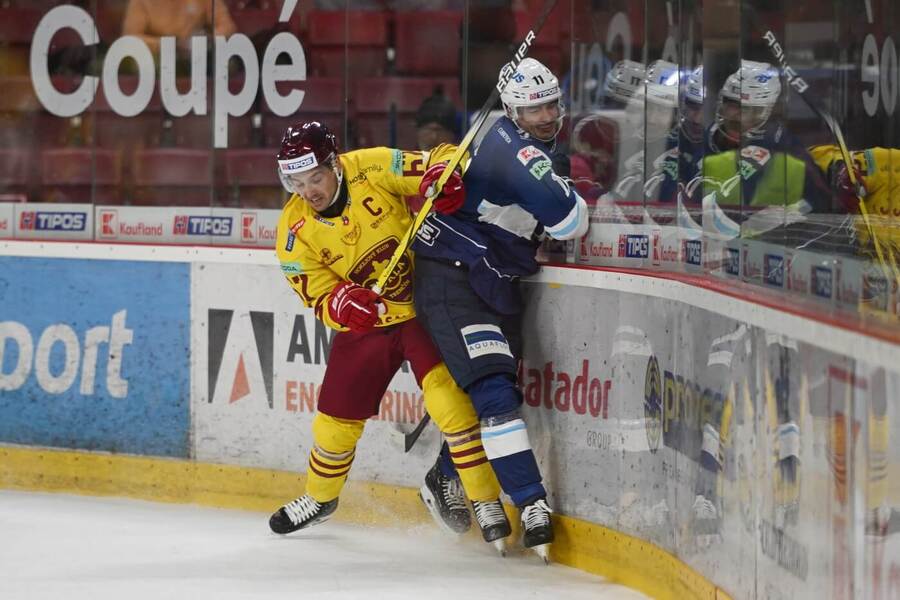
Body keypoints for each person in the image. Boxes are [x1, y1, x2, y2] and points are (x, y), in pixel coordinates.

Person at [268, 121, 509, 546]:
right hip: (369, 327)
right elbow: (317, 295)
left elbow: (441, 157)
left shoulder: (371, 167)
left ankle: (485, 500)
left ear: (335, 165)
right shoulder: (292, 231)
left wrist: (442, 175)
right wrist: (343, 304)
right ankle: (319, 498)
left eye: (316, 178)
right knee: (333, 423)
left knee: (451, 405)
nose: (309, 192)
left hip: (422, 309)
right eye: (297, 183)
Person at [410, 57, 589, 561]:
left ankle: (446, 476)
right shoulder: (513, 147)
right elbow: (570, 221)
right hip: (453, 275)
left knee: (492, 392)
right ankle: (529, 502)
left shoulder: (515, 137)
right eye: (535, 108)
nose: (548, 115)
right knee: (493, 391)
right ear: (513, 109)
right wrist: (570, 197)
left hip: (494, 279)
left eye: (552, 103)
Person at [122, 0, 237, 56]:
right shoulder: (141, 2)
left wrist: (207, 40)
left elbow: (228, 26)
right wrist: (170, 46)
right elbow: (130, 39)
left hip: (197, 59)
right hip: (157, 61)